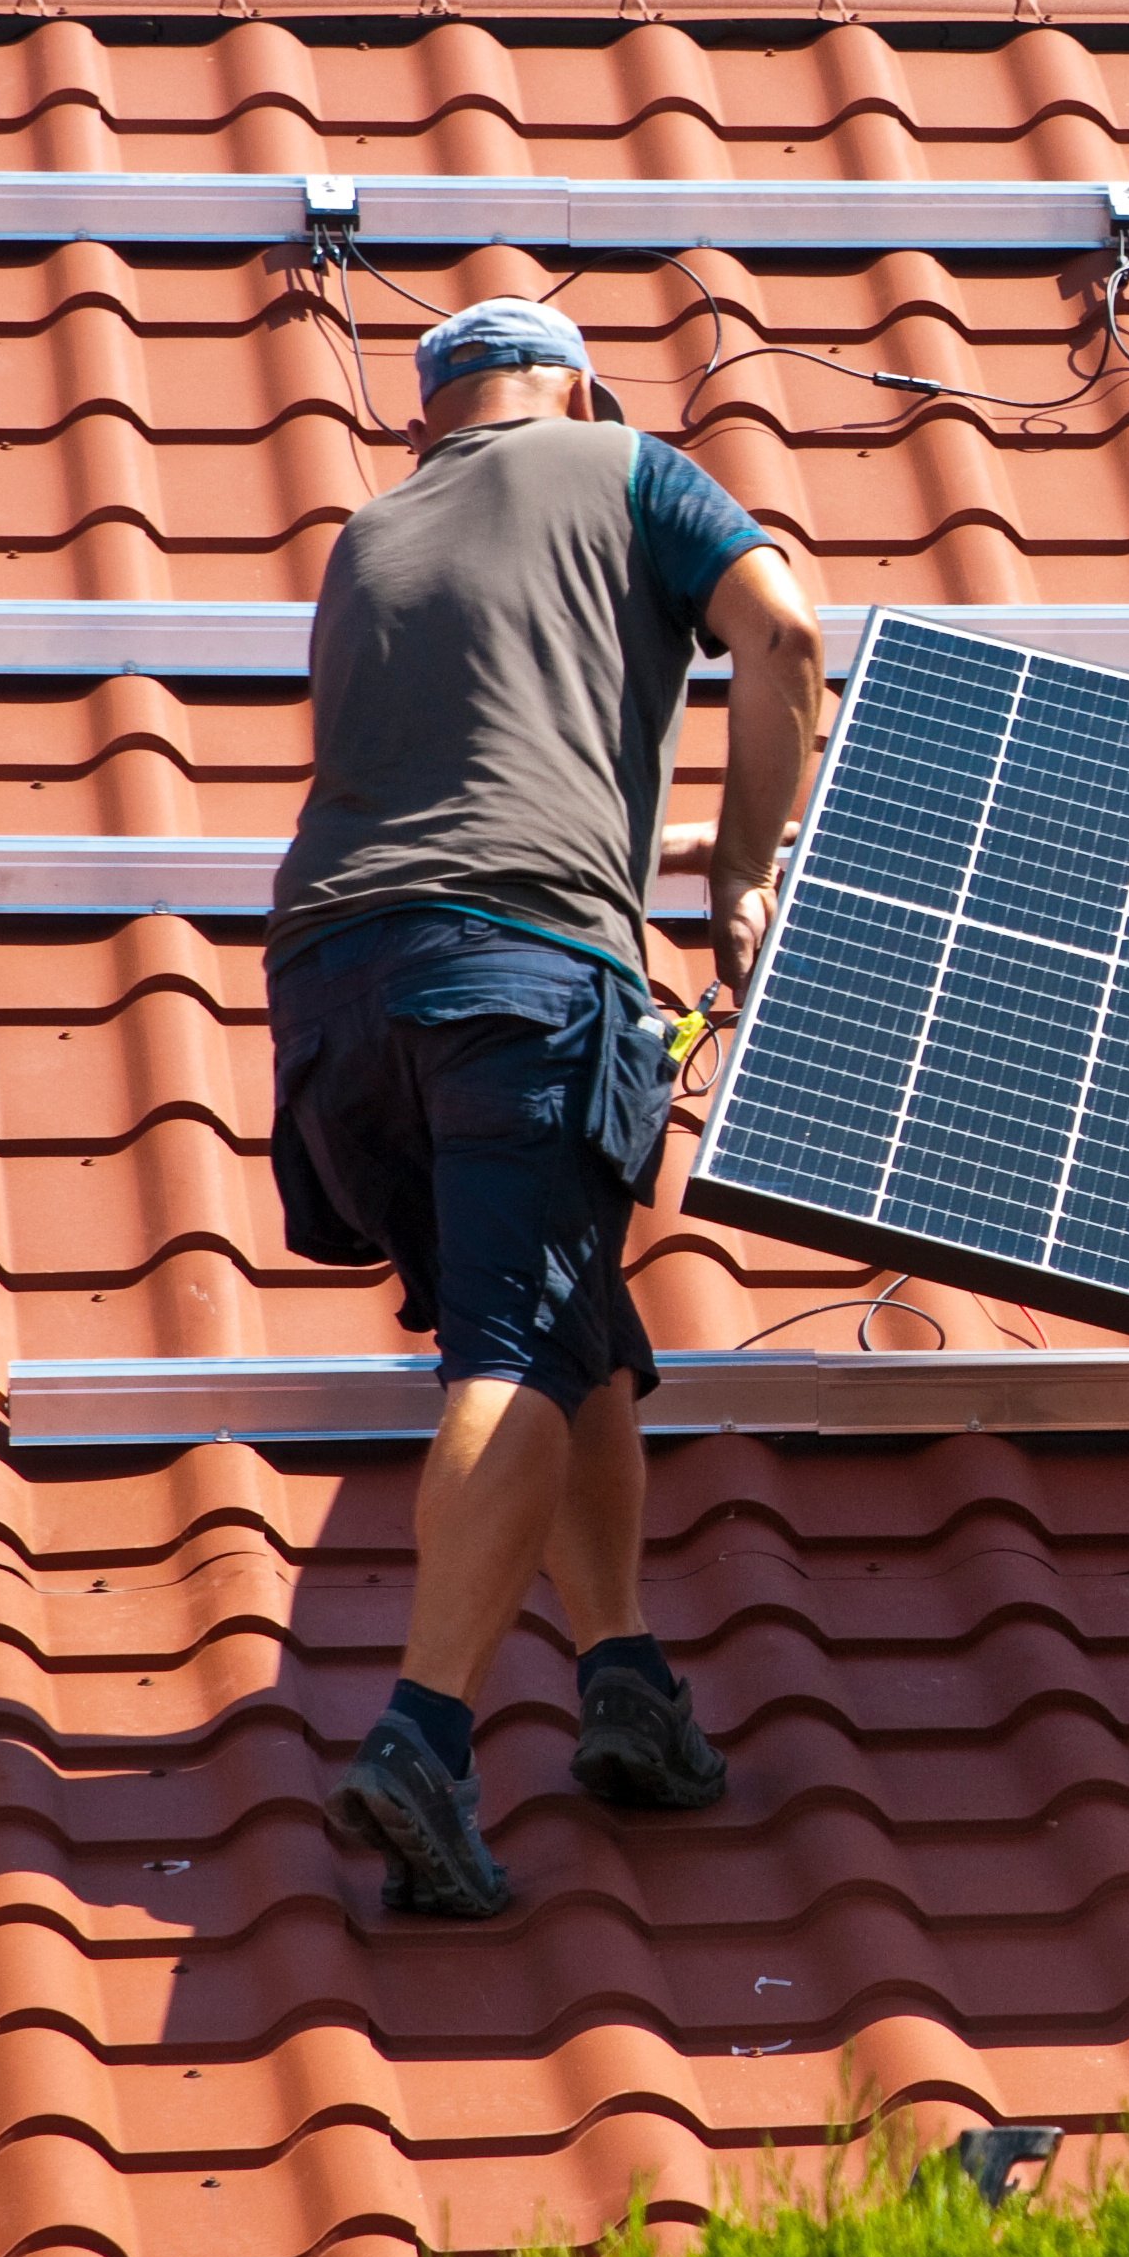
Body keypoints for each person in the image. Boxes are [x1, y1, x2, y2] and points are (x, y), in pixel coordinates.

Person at [268, 297, 827, 1916]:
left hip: (331, 1002)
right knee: (512, 1351)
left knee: (572, 1320)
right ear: (576, 388)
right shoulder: (631, 466)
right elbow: (785, 637)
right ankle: (426, 1741)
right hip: (518, 968)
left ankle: (626, 1682)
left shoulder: (371, 529)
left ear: (431, 418)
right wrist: (734, 875)